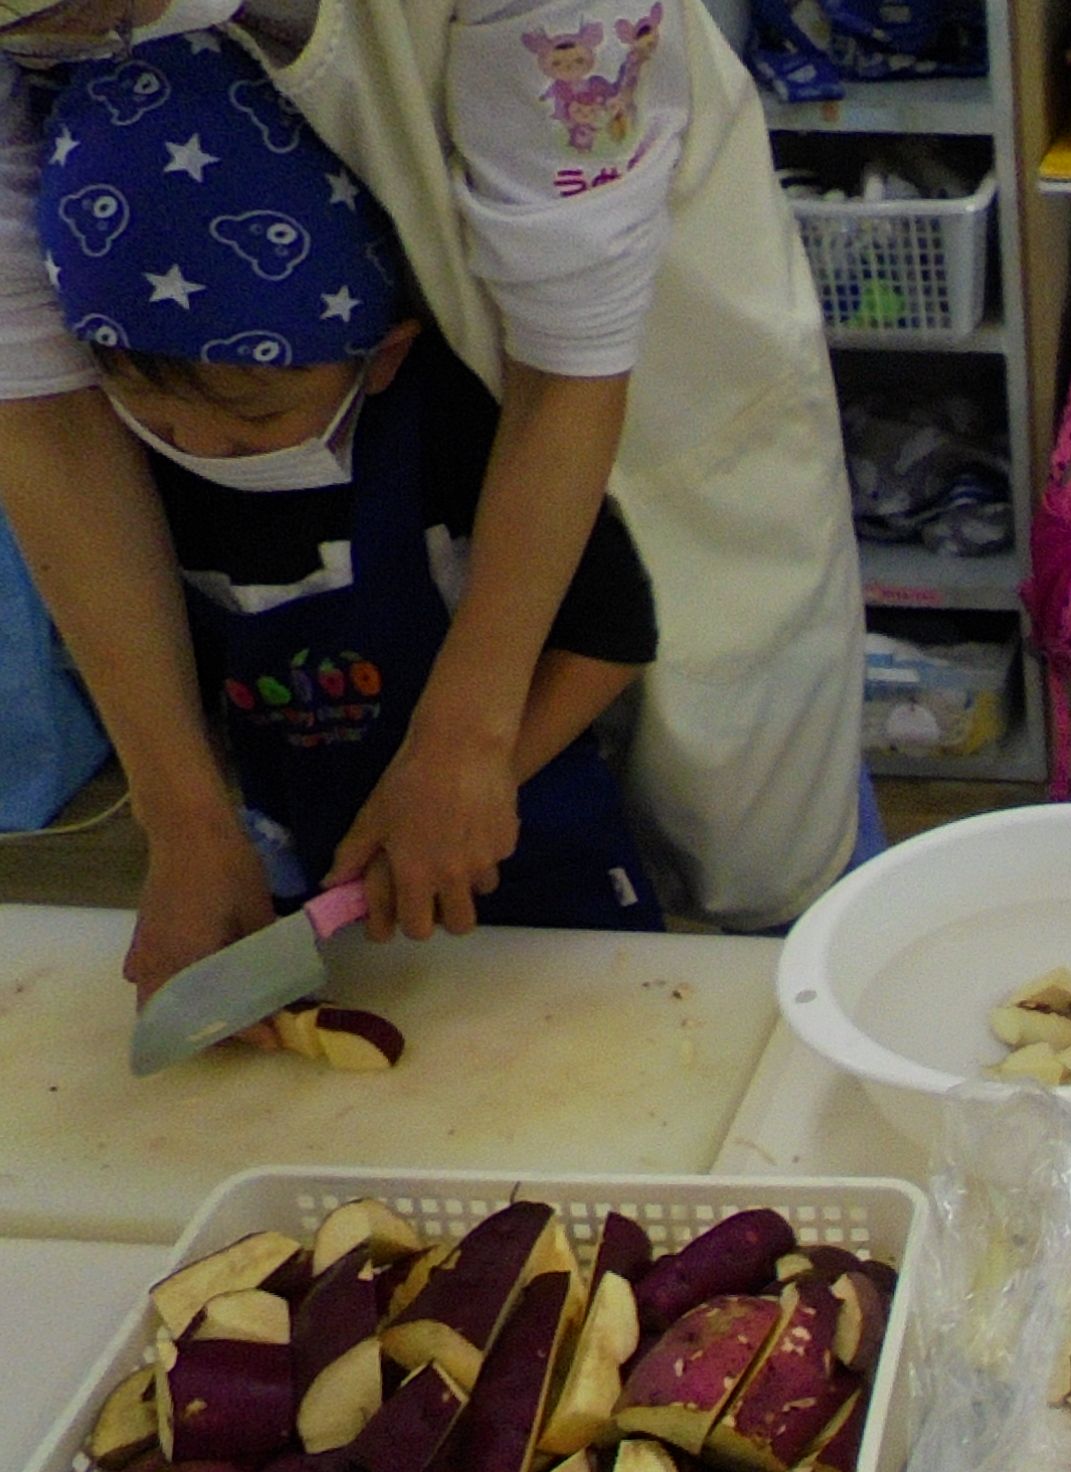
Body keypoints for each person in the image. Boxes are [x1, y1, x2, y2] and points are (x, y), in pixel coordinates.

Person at [0, 0, 871, 1006]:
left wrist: (468, 744)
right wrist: (184, 818)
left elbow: (571, 366)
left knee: (766, 865)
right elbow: (40, 406)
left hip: (632, 374)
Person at [37, 34, 664, 943]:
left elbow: (611, 631)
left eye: (254, 422)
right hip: (306, 873)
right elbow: (157, 676)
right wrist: (191, 826)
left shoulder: (461, 428)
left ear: (384, 354)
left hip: (532, 854)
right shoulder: (121, 481)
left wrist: (469, 771)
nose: (202, 447)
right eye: (151, 409)